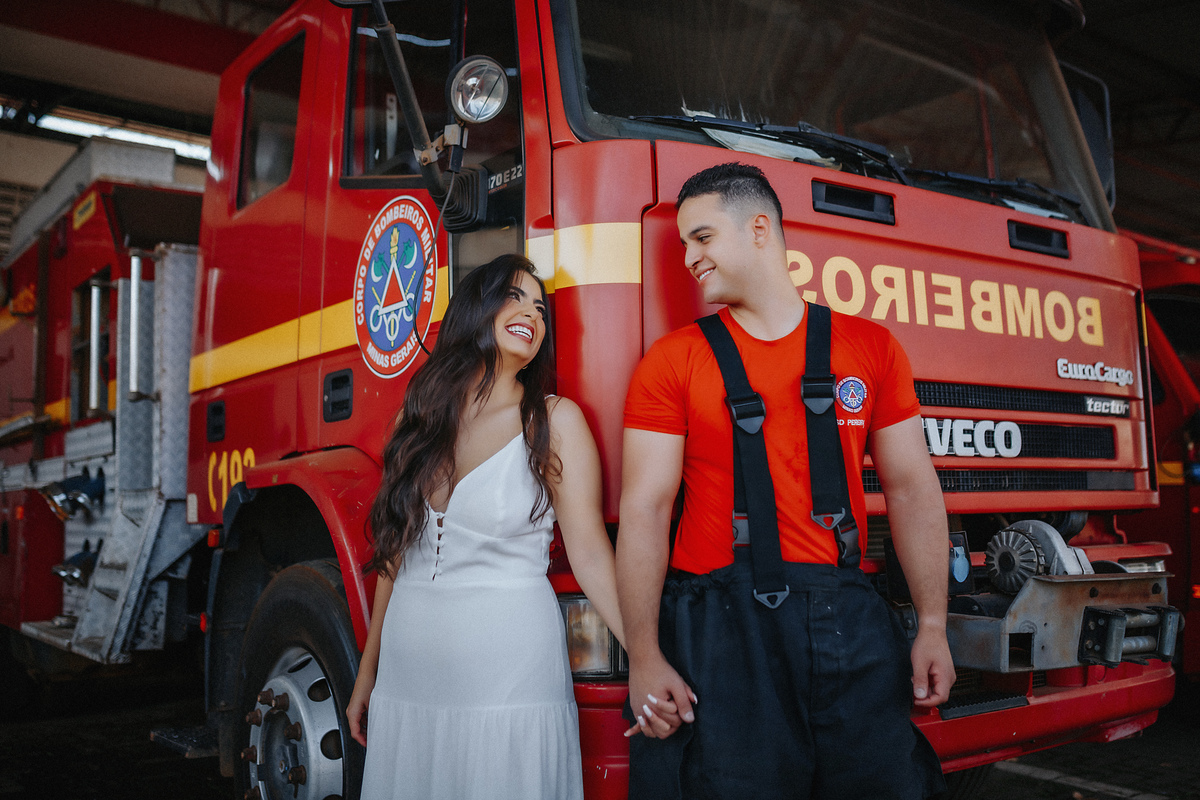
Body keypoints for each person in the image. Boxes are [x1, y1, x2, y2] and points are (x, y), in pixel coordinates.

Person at [616, 162, 954, 798]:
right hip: (721, 633)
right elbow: (645, 511)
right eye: (685, 243)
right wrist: (644, 655)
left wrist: (933, 626)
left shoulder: (871, 348)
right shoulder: (673, 361)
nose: (689, 257)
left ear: (761, 229)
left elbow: (911, 489)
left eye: (703, 237)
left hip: (850, 622)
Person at [347, 254, 625, 800]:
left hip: (509, 675)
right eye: (514, 296)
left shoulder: (553, 420)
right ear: (477, 308)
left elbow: (591, 555)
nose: (532, 314)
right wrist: (366, 675)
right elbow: (394, 554)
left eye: (541, 308)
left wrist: (646, 653)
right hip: (409, 675)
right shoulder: (419, 417)